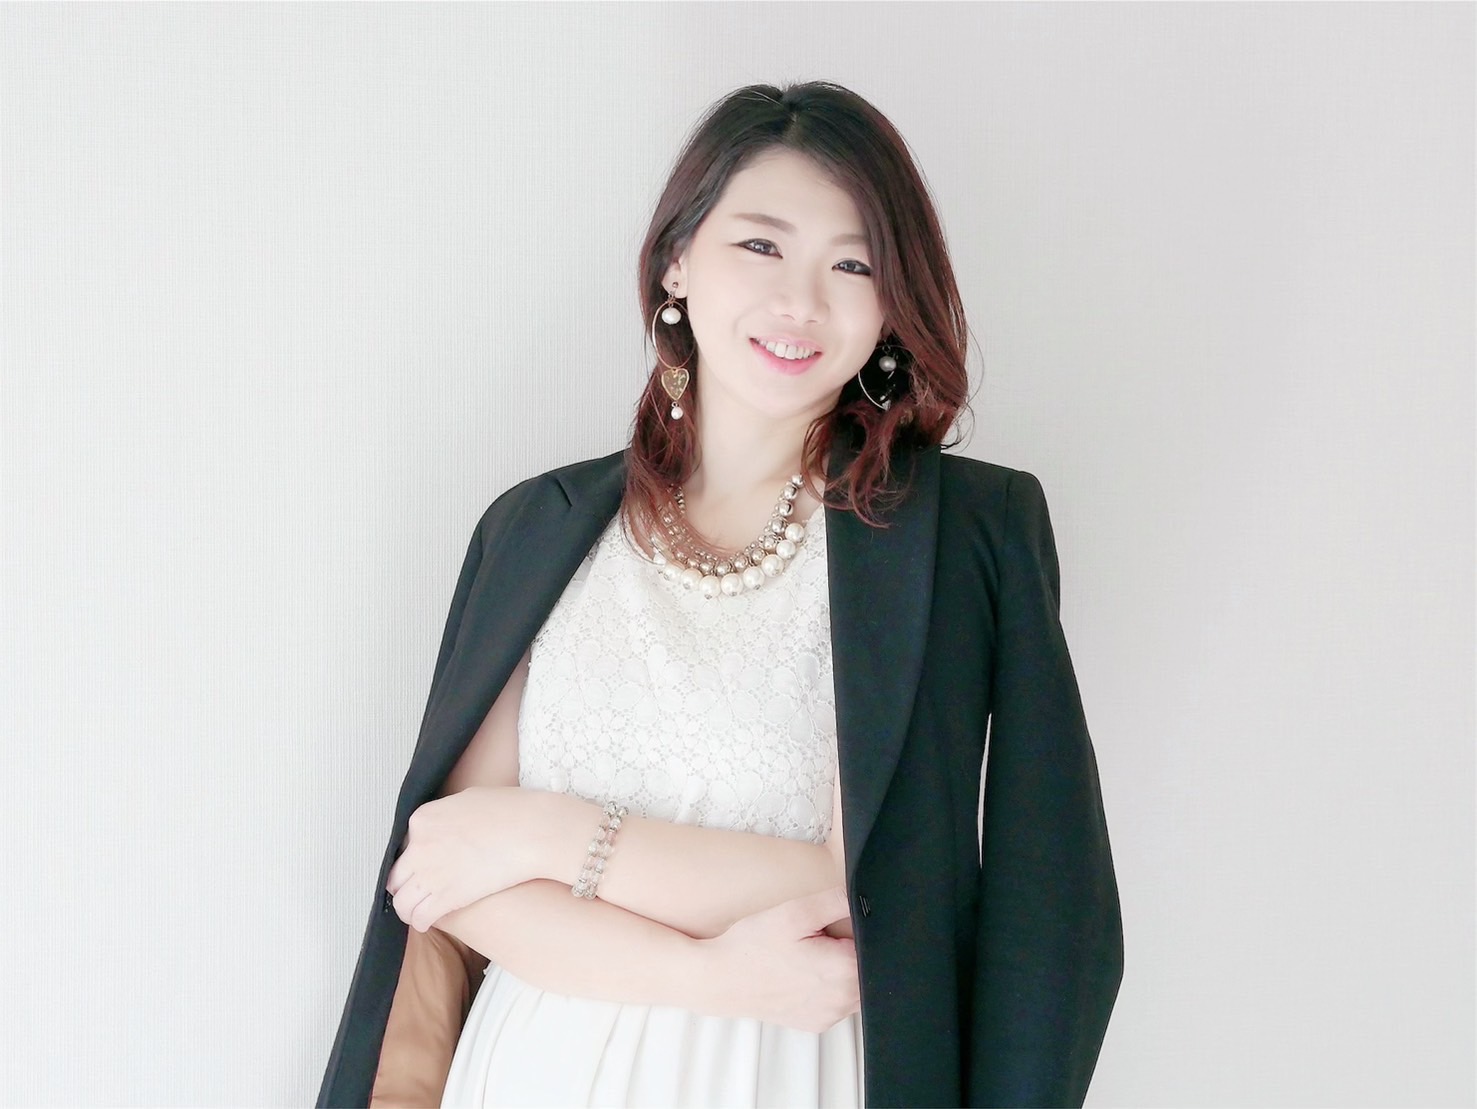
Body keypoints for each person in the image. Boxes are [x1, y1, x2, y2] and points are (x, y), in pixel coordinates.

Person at [318, 80, 1123, 1109]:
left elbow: (889, 889)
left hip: (803, 1070)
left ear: (891, 301)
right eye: (760, 245)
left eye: (852, 264)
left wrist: (544, 838)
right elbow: (446, 873)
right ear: (676, 262)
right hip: (536, 1069)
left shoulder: (960, 532)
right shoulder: (538, 529)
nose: (801, 301)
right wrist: (712, 974)